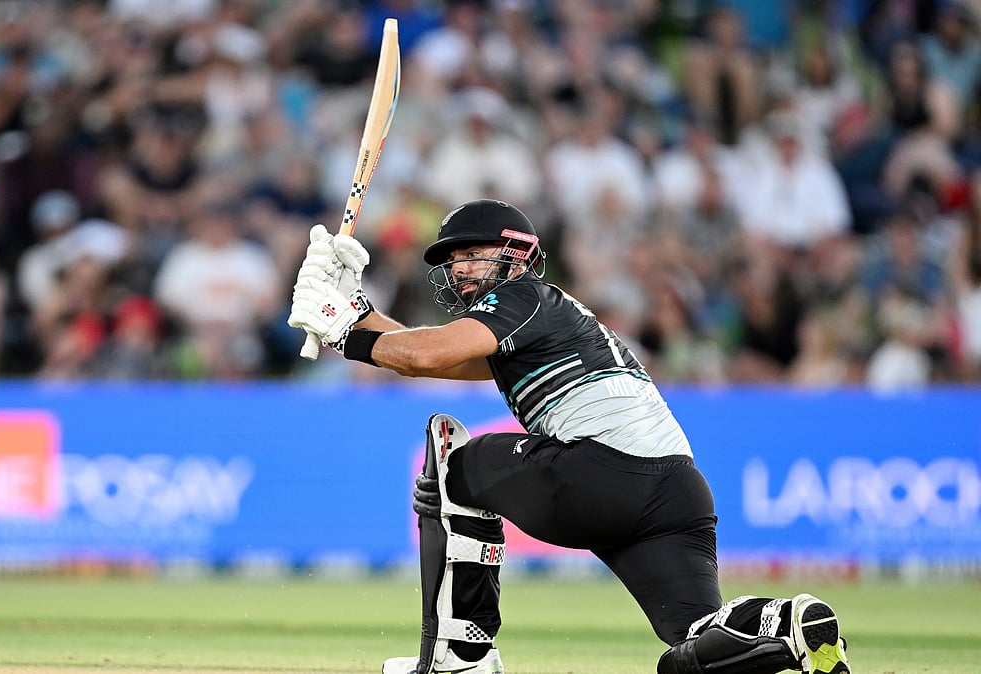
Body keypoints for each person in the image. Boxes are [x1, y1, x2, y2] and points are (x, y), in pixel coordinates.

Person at [287, 199, 851, 674]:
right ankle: (786, 626)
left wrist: (341, 327)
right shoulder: (538, 320)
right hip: (677, 490)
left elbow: (425, 354)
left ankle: (459, 658)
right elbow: (429, 355)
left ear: (517, 254)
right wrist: (354, 314)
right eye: (453, 258)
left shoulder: (522, 297)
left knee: (454, 462)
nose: (458, 268)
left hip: (603, 471)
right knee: (689, 650)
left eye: (471, 253)